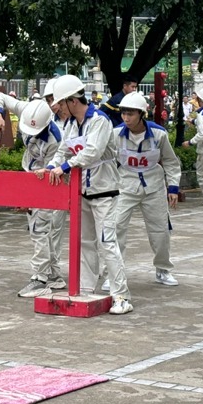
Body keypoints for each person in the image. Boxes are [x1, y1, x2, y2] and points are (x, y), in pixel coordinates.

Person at [38, 74, 134, 315]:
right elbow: (63, 150)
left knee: (107, 243)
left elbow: (92, 152)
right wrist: (52, 167)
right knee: (85, 243)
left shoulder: (99, 120)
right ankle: (87, 289)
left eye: (61, 103)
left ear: (73, 100)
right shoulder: (71, 124)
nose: (59, 108)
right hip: (82, 192)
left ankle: (121, 296)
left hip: (105, 192)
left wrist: (65, 167)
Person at [0, 91, 65, 297]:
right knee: (40, 227)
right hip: (29, 176)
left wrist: (30, 196)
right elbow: (0, 96)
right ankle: (52, 274)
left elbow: (52, 167)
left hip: (47, 180)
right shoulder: (26, 109)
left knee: (40, 228)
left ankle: (40, 278)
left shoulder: (55, 140)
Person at [111, 91, 182, 286]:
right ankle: (113, 272)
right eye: (123, 113)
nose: (126, 118)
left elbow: (170, 161)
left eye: (131, 114)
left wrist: (173, 188)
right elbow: (107, 160)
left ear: (142, 114)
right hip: (125, 186)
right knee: (115, 227)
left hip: (154, 188)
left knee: (160, 231)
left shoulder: (158, 134)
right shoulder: (116, 134)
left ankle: (163, 269)